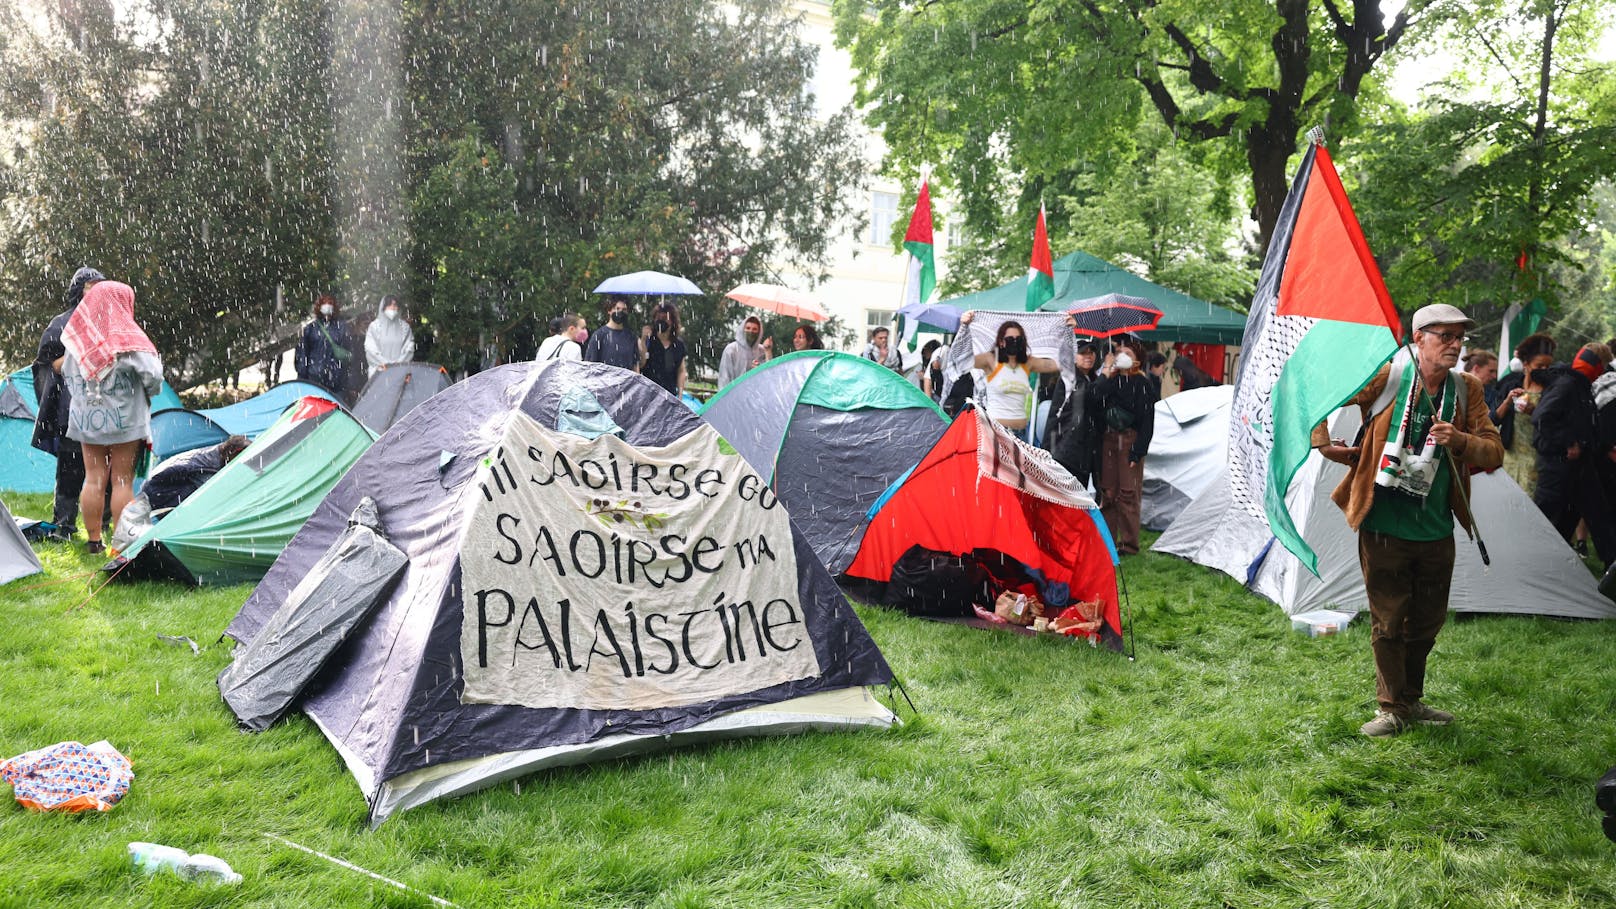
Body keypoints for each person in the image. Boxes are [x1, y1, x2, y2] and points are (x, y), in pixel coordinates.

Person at [1316, 304, 1503, 737]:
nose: (1455, 344)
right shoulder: (1389, 375)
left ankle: (1410, 700)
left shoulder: (1467, 389)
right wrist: (1325, 445)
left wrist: (1461, 439)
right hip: (1383, 523)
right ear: (1419, 338)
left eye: (1460, 337)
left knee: (1426, 621)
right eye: (1445, 335)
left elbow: (1494, 451)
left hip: (1436, 526)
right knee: (1388, 618)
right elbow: (1321, 392)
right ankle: (1390, 707)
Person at [60, 281, 165, 555]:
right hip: (125, 420)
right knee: (121, 481)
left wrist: (88, 401)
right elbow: (153, 377)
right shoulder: (131, 340)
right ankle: (120, 547)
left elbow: (69, 376)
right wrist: (147, 394)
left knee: (93, 478)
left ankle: (94, 542)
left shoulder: (79, 339)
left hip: (87, 420)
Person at [31, 266, 105, 542]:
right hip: (71, 410)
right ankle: (64, 526)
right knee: (71, 468)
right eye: (91, 286)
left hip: (104, 408)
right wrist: (78, 356)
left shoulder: (109, 322)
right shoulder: (61, 323)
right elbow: (48, 366)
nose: (97, 290)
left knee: (104, 468)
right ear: (79, 290)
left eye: (101, 286)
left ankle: (104, 524)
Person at [1531, 343, 1616, 567]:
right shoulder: (1567, 384)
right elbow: (1542, 417)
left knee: (1595, 514)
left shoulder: (1579, 385)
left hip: (1578, 465)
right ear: (1597, 365)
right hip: (1557, 465)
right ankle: (1528, 561)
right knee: (1545, 517)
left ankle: (1610, 566)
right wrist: (1568, 443)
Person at [108, 435, 250, 554]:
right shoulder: (206, 467)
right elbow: (212, 497)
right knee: (207, 502)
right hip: (159, 496)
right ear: (236, 451)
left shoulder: (216, 452)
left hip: (157, 489)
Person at [1090, 339, 1158, 553]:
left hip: (1130, 439)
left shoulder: (1143, 383)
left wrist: (1138, 451)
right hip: (1109, 440)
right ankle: (1108, 541)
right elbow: (1095, 399)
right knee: (1108, 491)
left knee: (1128, 493)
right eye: (1118, 351)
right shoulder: (1110, 379)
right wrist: (1108, 372)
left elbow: (1147, 421)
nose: (1121, 355)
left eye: (1126, 352)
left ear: (1137, 358)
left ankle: (1129, 543)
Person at [957, 312, 1058, 441]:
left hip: (1021, 436)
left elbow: (1061, 364)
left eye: (1018, 339)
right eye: (1010, 339)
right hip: (995, 434)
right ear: (1001, 341)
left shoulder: (1028, 362)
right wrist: (964, 328)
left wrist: (1067, 331)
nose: (1014, 342)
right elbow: (961, 361)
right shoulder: (991, 360)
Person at [1493, 333, 1556, 498]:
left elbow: (1556, 424)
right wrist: (1507, 401)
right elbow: (1493, 418)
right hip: (1511, 454)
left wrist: (1535, 412)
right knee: (1507, 499)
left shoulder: (1551, 390)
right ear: (1526, 364)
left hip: (1536, 457)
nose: (1544, 371)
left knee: (1530, 502)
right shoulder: (1511, 385)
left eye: (1548, 367)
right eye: (1539, 366)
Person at [1048, 342, 1101, 489]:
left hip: (1083, 454)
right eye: (1083, 353)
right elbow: (1088, 395)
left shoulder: (1092, 379)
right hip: (1067, 452)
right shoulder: (1070, 377)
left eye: (1091, 352)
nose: (1088, 356)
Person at [295, 293, 354, 396]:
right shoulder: (310, 328)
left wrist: (349, 382)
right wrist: (302, 377)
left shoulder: (342, 328)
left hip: (337, 381)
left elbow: (349, 353)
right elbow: (302, 354)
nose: (327, 305)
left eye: (330, 303)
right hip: (314, 379)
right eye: (324, 303)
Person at [639, 301, 687, 396]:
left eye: (665, 318)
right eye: (658, 318)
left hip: (670, 395)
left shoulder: (679, 344)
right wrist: (643, 340)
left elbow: (681, 370)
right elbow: (641, 364)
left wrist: (680, 395)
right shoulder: (649, 340)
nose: (661, 321)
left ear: (673, 321)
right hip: (648, 394)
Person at [584, 296, 641, 371]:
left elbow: (635, 365)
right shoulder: (599, 335)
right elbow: (590, 364)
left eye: (624, 310)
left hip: (626, 381)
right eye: (617, 309)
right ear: (609, 311)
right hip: (605, 381)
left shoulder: (631, 336)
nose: (620, 312)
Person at [363, 295, 415, 375]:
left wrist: (398, 364)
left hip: (400, 372)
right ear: (383, 307)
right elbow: (370, 350)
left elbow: (409, 348)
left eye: (395, 305)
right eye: (389, 305)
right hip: (378, 373)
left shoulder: (405, 327)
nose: (392, 307)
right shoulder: (374, 327)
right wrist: (385, 364)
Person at [718, 315, 769, 386]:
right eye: (748, 328)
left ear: (759, 332)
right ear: (742, 329)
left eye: (754, 329)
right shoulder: (731, 349)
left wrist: (768, 352)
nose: (751, 331)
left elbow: (768, 375)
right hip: (734, 393)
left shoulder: (762, 351)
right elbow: (724, 377)